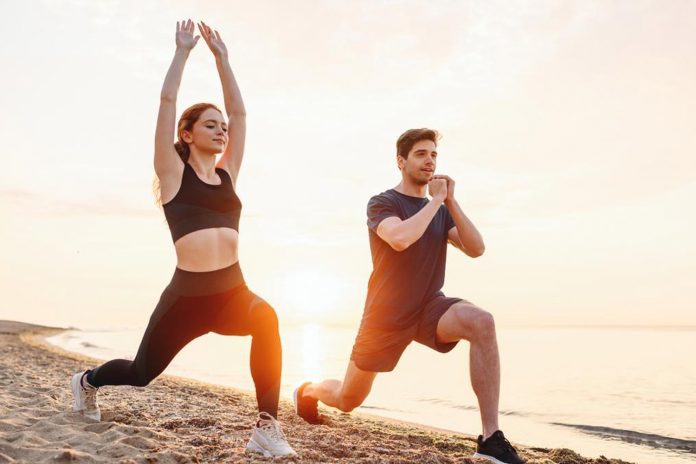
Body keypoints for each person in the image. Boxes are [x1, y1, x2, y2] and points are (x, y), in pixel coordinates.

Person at [69, 19, 296, 458]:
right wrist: (183, 52)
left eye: (221, 126)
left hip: (232, 292)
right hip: (185, 299)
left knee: (266, 318)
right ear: (187, 135)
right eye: (210, 125)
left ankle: (266, 426)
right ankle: (87, 380)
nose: (222, 130)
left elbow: (242, 115)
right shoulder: (173, 176)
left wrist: (224, 60)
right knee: (140, 372)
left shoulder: (228, 174)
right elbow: (168, 100)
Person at [294, 128, 525, 464]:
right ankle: (308, 390)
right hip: (385, 316)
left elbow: (477, 248)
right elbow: (400, 238)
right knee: (348, 399)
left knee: (482, 322)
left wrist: (451, 202)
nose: (429, 160)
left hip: (429, 306)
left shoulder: (442, 210)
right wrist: (435, 201)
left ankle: (490, 439)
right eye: (421, 154)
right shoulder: (383, 202)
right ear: (401, 161)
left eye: (434, 154)